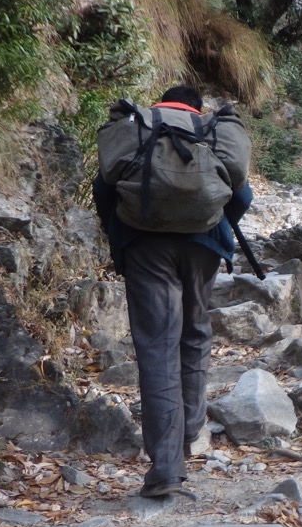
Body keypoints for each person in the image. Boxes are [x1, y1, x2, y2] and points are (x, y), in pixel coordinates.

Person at [93, 84, 253, 498]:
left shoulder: (140, 127)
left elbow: (104, 189)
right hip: (203, 246)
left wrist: (121, 240)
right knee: (195, 333)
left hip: (145, 246)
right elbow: (243, 194)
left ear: (161, 103)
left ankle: (166, 467)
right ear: (196, 109)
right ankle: (191, 431)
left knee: (158, 345)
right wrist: (217, 225)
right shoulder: (211, 129)